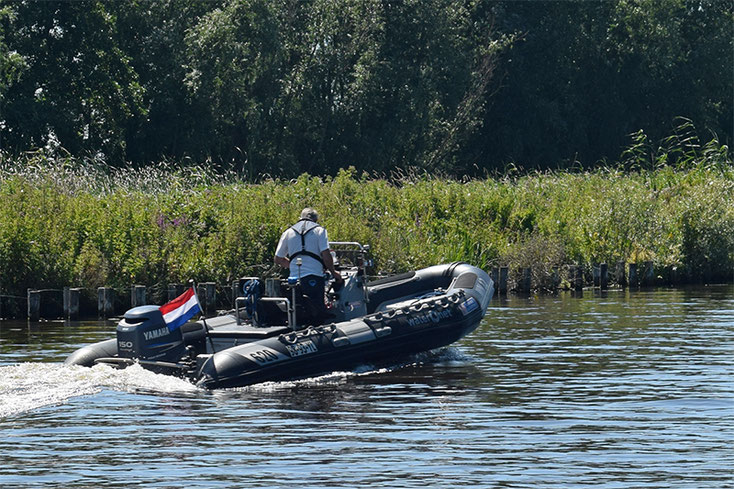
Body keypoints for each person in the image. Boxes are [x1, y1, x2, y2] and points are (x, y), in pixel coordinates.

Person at [274, 207, 343, 325]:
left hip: (294, 280)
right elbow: (326, 256)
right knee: (317, 313)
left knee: (299, 310)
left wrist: (293, 266)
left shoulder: (288, 232)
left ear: (300, 218)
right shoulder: (320, 231)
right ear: (315, 220)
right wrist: (333, 272)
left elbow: (278, 259)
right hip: (314, 277)